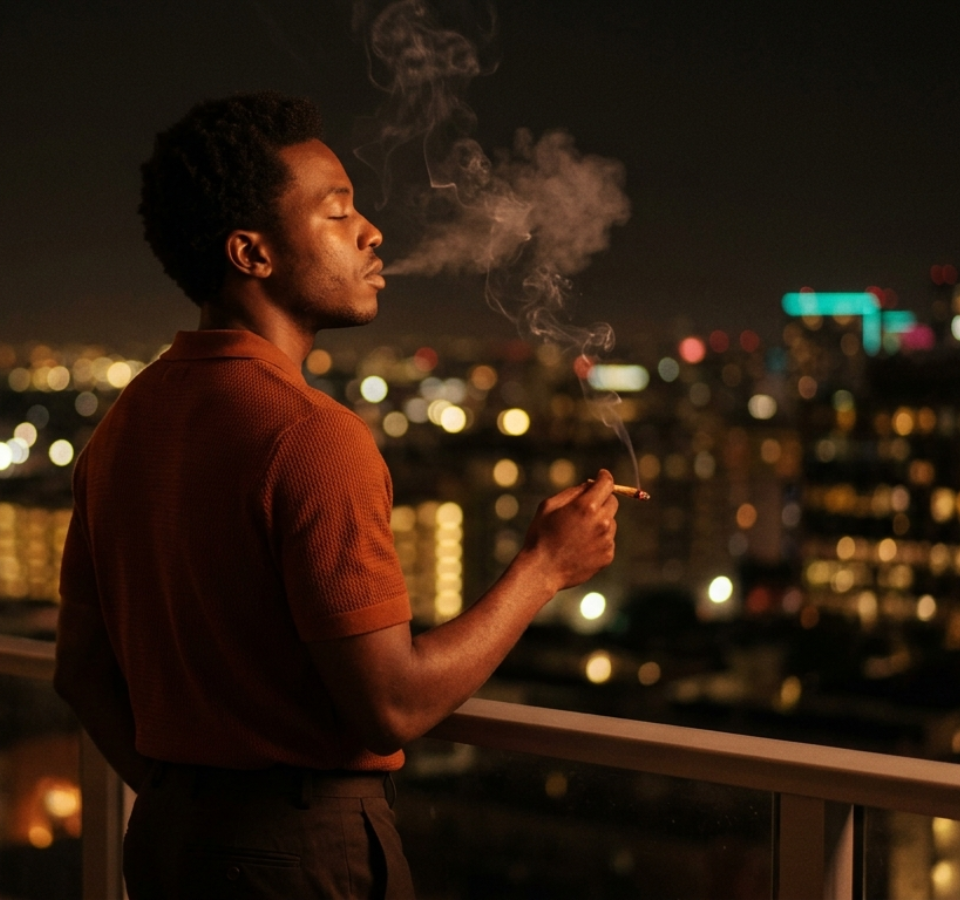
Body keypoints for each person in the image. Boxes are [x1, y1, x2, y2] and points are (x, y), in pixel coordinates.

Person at [54, 91, 618, 899]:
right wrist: (544, 567)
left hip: (171, 841)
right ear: (252, 253)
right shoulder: (313, 437)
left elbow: (79, 672)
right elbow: (390, 704)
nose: (372, 232)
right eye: (337, 212)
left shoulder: (126, 422)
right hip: (303, 850)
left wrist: (195, 798)